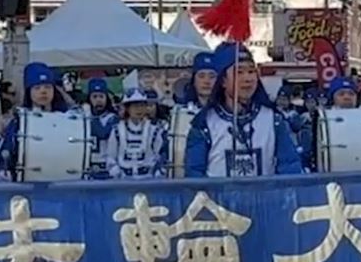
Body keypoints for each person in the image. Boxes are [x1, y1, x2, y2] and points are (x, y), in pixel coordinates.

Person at [185, 44, 302, 178]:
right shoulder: (205, 124)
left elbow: (289, 169)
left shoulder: (273, 120)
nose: (247, 79)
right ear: (223, 80)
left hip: (264, 197)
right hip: (218, 198)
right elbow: (194, 176)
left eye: (251, 72)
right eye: (239, 72)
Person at [106, 89, 168, 179]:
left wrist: (157, 174)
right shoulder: (116, 131)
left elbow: (161, 157)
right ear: (127, 108)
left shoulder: (155, 130)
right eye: (135, 106)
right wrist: (117, 174)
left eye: (142, 105)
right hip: (122, 181)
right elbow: (111, 157)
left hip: (149, 180)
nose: (139, 109)